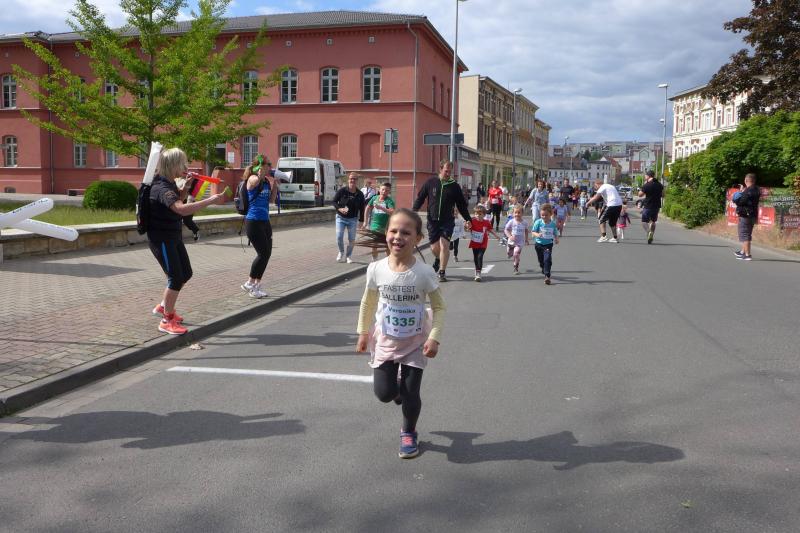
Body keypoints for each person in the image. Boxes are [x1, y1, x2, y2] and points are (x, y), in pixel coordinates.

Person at [356, 208, 446, 459]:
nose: (398, 237)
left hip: (415, 341)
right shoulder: (376, 268)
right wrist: (363, 332)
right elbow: (368, 302)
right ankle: (397, 392)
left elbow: (439, 307)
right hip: (385, 339)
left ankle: (408, 432)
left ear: (418, 238)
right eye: (393, 231)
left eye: (406, 232)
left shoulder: (424, 273)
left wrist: (434, 337)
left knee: (411, 393)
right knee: (384, 394)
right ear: (386, 233)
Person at [147, 147, 226, 335]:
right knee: (175, 278)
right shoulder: (161, 188)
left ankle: (163, 307)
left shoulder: (169, 183)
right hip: (162, 238)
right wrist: (210, 200)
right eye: (183, 163)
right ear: (173, 165)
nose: (186, 167)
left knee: (186, 273)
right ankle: (166, 320)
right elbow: (180, 209)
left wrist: (187, 187)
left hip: (173, 236)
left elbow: (178, 201)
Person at [412, 160, 472, 282]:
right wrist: (413, 212)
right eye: (446, 171)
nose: (448, 174)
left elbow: (461, 205)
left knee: (444, 245)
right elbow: (420, 198)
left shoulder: (454, 186)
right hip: (432, 220)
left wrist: (468, 219)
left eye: (450, 172)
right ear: (440, 169)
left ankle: (442, 272)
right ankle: (439, 259)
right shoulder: (431, 182)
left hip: (447, 221)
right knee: (434, 248)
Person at [240, 155, 280, 298]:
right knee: (262, 254)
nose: (270, 167)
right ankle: (249, 283)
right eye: (268, 164)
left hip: (265, 221)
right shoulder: (252, 178)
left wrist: (275, 185)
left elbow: (271, 200)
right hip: (253, 221)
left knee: (267, 254)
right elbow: (253, 182)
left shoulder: (266, 182)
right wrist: (260, 174)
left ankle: (256, 286)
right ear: (261, 165)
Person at [333, 173, 366, 263]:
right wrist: (339, 208)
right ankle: (341, 252)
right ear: (348, 180)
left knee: (351, 239)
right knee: (339, 237)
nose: (352, 180)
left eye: (354, 179)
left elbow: (362, 208)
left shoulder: (360, 194)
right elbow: (334, 202)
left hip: (352, 220)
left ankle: (349, 256)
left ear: (357, 181)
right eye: (351, 178)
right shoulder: (342, 191)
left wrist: (361, 221)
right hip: (340, 218)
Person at [362, 181, 396, 262]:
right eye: (383, 189)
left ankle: (389, 261)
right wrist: (365, 222)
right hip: (375, 225)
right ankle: (375, 261)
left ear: (389, 192)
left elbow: (392, 212)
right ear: (379, 190)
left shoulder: (389, 201)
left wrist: (381, 208)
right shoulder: (374, 198)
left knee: (387, 246)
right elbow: (367, 208)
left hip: (386, 227)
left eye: (387, 190)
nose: (384, 192)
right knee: (374, 245)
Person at [468, 204, 500, 281]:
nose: (478, 216)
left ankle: (478, 272)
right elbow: (467, 228)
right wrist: (466, 226)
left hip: (483, 242)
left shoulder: (486, 222)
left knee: (480, 256)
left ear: (484, 215)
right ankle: (477, 270)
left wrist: (496, 235)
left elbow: (490, 229)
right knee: (475, 257)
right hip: (474, 242)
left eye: (480, 214)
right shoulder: (472, 221)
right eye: (476, 214)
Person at [733, 173, 760, 260]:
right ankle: (743, 252)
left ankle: (747, 255)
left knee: (745, 235)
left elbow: (740, 201)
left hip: (745, 215)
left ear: (746, 180)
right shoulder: (756, 189)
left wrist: (740, 193)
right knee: (747, 233)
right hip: (753, 215)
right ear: (754, 180)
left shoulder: (747, 191)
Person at [586, 179, 623, 243]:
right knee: (612, 222)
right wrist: (604, 207)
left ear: (598, 184)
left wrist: (588, 203)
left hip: (611, 204)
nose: (595, 188)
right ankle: (615, 238)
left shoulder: (602, 187)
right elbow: (609, 197)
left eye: (595, 186)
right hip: (619, 205)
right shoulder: (610, 186)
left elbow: (596, 197)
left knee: (601, 219)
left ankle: (603, 237)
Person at [532, 203, 560, 285]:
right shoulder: (538, 222)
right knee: (541, 260)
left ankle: (547, 276)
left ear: (550, 214)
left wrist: (557, 239)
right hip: (538, 244)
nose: (544, 217)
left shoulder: (552, 224)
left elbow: (555, 232)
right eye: (542, 215)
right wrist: (538, 234)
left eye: (546, 215)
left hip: (548, 244)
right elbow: (533, 232)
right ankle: (543, 268)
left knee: (547, 259)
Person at [638, 169, 665, 244]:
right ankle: (651, 234)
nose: (645, 177)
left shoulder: (647, 185)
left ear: (648, 176)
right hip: (657, 206)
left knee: (644, 221)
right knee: (653, 221)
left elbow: (640, 195)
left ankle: (649, 232)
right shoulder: (659, 185)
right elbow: (663, 195)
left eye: (645, 176)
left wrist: (642, 188)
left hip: (648, 205)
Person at [504, 205, 530, 275]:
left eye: (519, 213)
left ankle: (516, 267)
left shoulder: (524, 222)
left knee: (516, 254)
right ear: (513, 213)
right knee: (509, 253)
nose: (517, 214)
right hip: (511, 242)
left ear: (522, 213)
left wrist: (526, 239)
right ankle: (510, 253)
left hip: (519, 242)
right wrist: (510, 236)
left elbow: (526, 231)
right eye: (515, 213)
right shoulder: (511, 221)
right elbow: (506, 230)